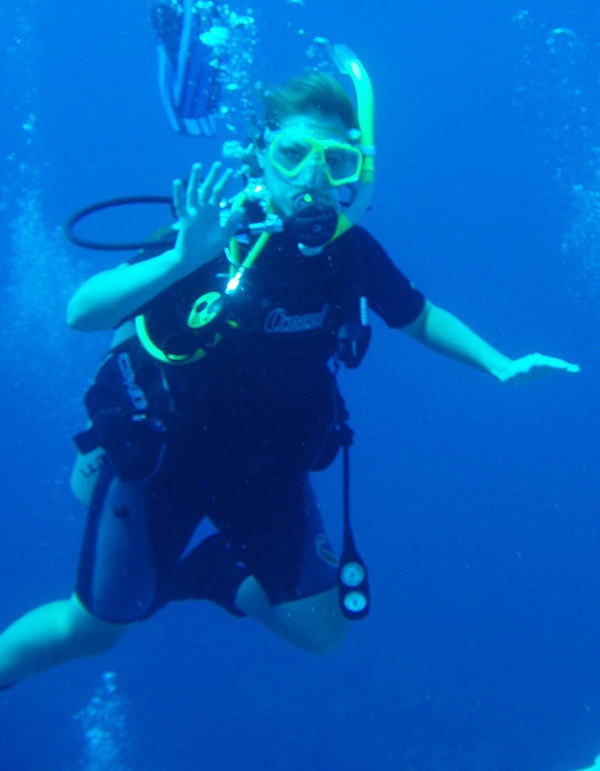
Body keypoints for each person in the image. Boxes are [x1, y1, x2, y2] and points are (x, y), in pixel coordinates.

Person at [0, 59, 578, 689]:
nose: (312, 179)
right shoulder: (210, 235)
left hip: (266, 465)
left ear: (355, 171)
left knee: (324, 632)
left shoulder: (348, 249)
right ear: (259, 154)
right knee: (94, 632)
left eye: (334, 162)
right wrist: (179, 258)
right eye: (293, 154)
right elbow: (81, 313)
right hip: (164, 458)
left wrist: (498, 364)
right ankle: (129, 547)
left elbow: (417, 316)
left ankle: (212, 573)